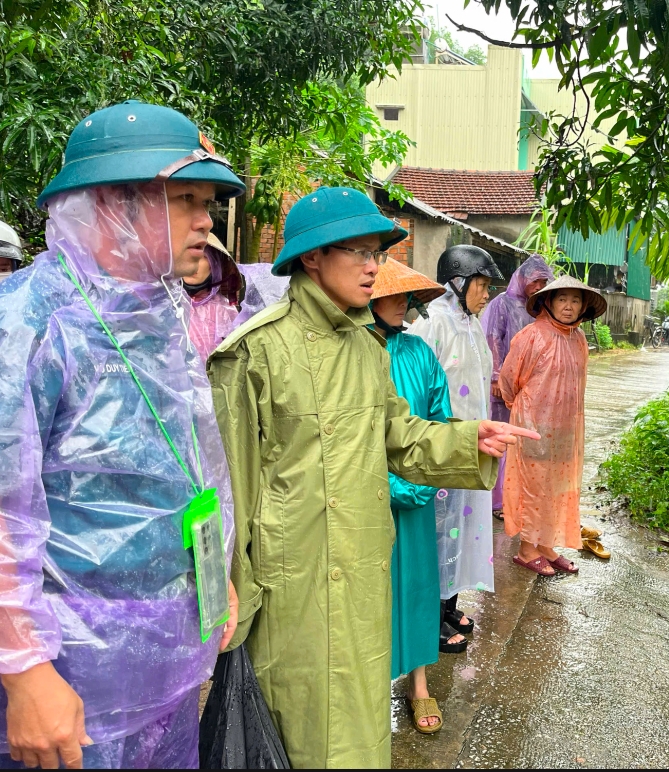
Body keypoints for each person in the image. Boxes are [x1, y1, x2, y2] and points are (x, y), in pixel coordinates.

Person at [207, 190, 537, 769]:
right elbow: (229, 493)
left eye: (376, 252)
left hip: (362, 572)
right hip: (292, 589)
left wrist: (466, 439)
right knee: (297, 733)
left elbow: (398, 435)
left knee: (360, 730)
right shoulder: (253, 352)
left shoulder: (368, 347)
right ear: (311, 258)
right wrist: (231, 601)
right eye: (357, 251)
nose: (372, 266)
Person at [0, 101, 244, 770]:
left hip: (161, 662)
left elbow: (188, 464)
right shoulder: (26, 322)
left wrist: (211, 573)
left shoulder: (158, 311)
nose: (208, 220)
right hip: (67, 678)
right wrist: (23, 671)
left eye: (209, 200)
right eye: (186, 199)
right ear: (114, 203)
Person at [368, 259, 458, 735]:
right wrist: (386, 481)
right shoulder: (356, 348)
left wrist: (420, 481)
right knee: (373, 589)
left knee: (420, 586)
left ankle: (420, 683)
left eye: (408, 296)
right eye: (393, 294)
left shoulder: (421, 352)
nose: (403, 303)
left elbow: (440, 419)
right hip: (366, 493)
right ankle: (367, 687)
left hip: (419, 495)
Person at [408, 245, 504, 651]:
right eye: (481, 285)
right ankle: (426, 616)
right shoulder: (433, 324)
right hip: (444, 445)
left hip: (471, 446)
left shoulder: (471, 324)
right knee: (436, 531)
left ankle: (448, 605)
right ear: (459, 282)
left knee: (459, 530)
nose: (486, 294)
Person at [501, 276, 606, 575]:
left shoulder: (579, 339)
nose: (569, 307)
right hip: (533, 425)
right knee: (532, 487)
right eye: (562, 299)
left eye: (575, 300)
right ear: (548, 302)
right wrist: (526, 411)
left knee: (556, 488)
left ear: (584, 306)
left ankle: (545, 545)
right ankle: (526, 548)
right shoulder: (531, 336)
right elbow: (509, 381)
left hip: (565, 430)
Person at [479, 255, 554, 519]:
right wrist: (497, 377)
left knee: (522, 441)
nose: (539, 286)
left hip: (530, 388)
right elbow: (492, 338)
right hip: (503, 386)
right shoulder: (502, 304)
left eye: (544, 281)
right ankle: (497, 502)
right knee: (501, 439)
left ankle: (517, 495)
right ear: (522, 279)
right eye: (535, 281)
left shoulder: (542, 309)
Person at [183, 233, 242, 361]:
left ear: (213, 265)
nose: (192, 264)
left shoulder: (223, 311)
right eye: (186, 256)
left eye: (202, 257)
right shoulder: (164, 303)